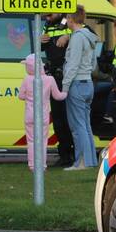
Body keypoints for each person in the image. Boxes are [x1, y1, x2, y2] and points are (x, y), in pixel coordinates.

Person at [61, 7, 100, 169]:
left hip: (76, 84)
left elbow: (73, 64)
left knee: (78, 126)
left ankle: (81, 162)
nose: (66, 20)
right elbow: (93, 64)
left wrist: (65, 86)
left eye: (68, 17)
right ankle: (90, 161)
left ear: (71, 18)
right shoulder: (89, 37)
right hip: (88, 83)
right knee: (85, 124)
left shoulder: (77, 38)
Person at [17, 54, 66, 172]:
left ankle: (32, 165)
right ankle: (42, 166)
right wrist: (66, 91)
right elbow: (58, 96)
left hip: (29, 115)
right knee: (43, 141)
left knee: (31, 141)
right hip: (43, 115)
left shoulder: (27, 79)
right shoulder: (49, 79)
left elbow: (21, 96)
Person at [41, 12, 74, 167]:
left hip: (67, 78)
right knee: (58, 118)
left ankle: (72, 154)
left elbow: (88, 36)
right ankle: (64, 154)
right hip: (53, 77)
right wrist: (39, 41)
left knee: (68, 118)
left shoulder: (69, 22)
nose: (46, 17)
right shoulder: (47, 25)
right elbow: (41, 47)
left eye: (49, 14)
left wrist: (69, 37)